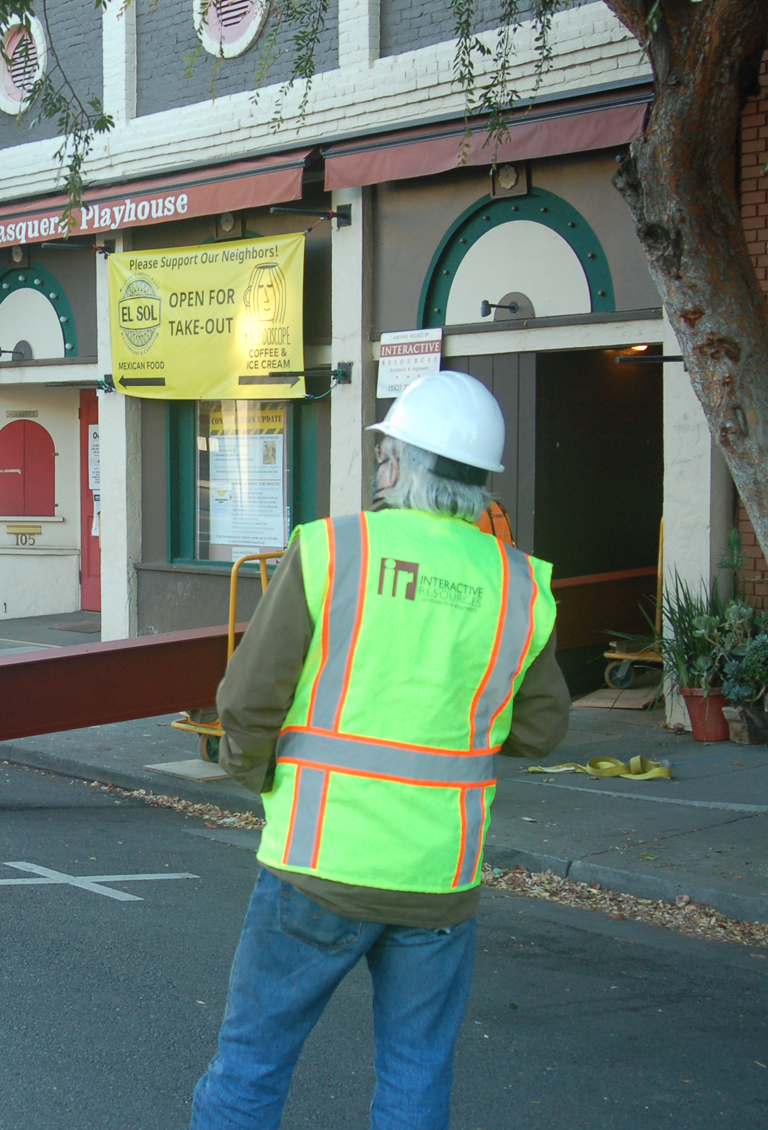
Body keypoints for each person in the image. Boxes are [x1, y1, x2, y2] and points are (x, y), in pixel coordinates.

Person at [192, 370, 571, 1130]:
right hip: (438, 880)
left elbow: (244, 699)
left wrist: (259, 779)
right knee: (415, 1080)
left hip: (316, 865)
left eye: (382, 458)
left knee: (252, 1067)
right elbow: (540, 728)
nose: (378, 472)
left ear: (398, 466)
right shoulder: (518, 584)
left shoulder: (336, 548)